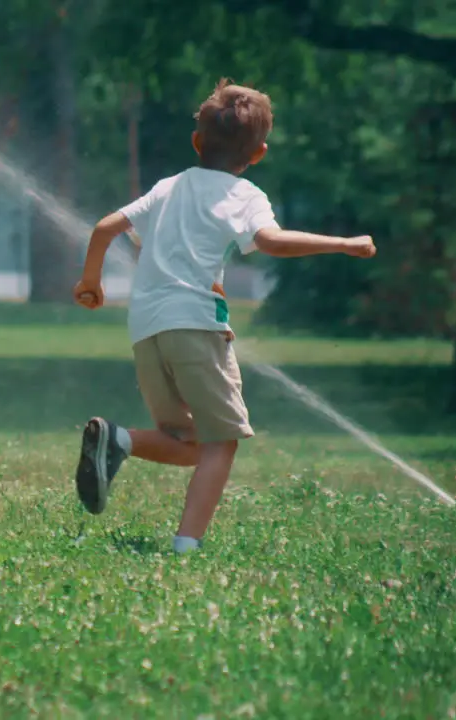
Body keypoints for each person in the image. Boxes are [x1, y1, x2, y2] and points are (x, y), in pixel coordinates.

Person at [71, 79, 377, 555]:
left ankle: (119, 440)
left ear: (196, 141)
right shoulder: (245, 195)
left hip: (147, 332)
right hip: (196, 328)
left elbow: (106, 227)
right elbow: (272, 242)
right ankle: (186, 546)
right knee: (222, 441)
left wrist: (91, 283)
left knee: (189, 441)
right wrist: (342, 244)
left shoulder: (168, 187)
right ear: (258, 154)